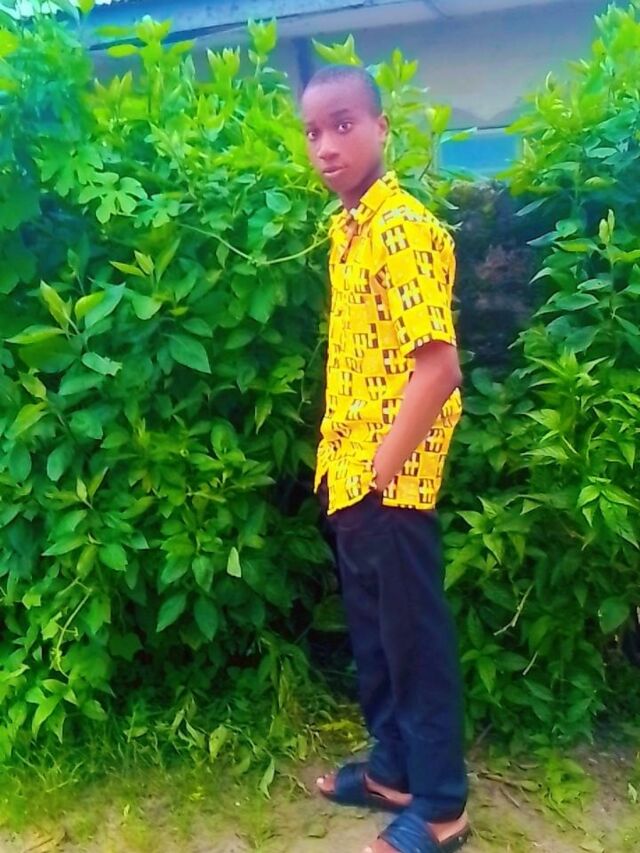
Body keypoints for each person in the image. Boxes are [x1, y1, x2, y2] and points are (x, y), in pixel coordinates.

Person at [301, 65, 470, 853]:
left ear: (381, 128)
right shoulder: (350, 230)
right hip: (353, 474)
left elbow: (438, 367)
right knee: (376, 638)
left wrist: (379, 470)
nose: (326, 146)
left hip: (390, 480)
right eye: (313, 132)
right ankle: (394, 770)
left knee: (413, 644)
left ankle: (440, 806)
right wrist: (348, 472)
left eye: (343, 125)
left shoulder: (400, 226)